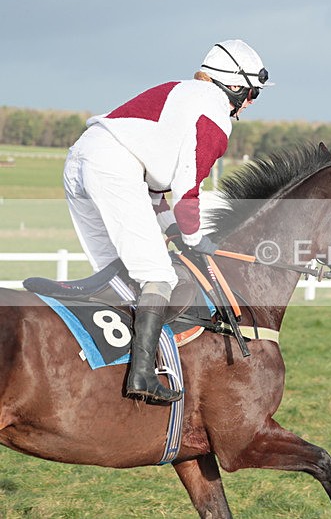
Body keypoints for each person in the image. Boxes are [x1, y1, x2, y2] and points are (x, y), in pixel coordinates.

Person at [63, 39, 271, 403]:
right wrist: (193, 237)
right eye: (252, 93)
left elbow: (155, 195)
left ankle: (95, 367)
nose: (250, 103)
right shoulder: (216, 112)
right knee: (158, 276)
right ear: (235, 85)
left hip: (81, 160)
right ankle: (142, 376)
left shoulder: (180, 92)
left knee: (119, 273)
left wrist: (174, 230)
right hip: (112, 167)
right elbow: (187, 190)